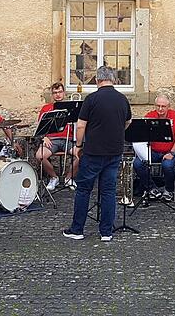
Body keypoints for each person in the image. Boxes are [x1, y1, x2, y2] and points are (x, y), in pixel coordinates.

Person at [63, 66, 131, 242]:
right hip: (115, 150)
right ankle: (106, 232)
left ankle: (77, 229)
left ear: (96, 80)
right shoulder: (122, 99)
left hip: (93, 151)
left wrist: (78, 145)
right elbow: (128, 121)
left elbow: (80, 125)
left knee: (84, 190)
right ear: (114, 80)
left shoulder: (91, 99)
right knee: (108, 191)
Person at [133, 93, 175, 202]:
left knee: (167, 165)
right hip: (153, 151)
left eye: (163, 106)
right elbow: (142, 136)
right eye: (158, 106)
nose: (160, 109)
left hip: (171, 151)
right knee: (138, 163)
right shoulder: (149, 116)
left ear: (168, 106)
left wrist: (172, 153)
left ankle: (169, 190)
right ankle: (152, 189)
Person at [36, 82, 79, 191]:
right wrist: (43, 137)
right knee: (40, 155)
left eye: (60, 92)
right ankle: (53, 177)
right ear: (52, 94)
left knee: (82, 155)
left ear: (64, 93)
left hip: (68, 139)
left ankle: (69, 178)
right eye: (55, 93)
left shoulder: (72, 107)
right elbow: (40, 127)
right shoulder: (46, 108)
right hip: (52, 140)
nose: (58, 95)